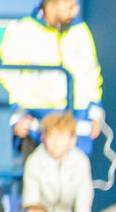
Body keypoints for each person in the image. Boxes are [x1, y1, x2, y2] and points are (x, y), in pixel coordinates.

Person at [0, 0, 105, 155]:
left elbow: (91, 74)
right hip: (36, 123)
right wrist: (16, 117)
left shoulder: (80, 31)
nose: (75, 11)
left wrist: (96, 112)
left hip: (76, 118)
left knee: (75, 176)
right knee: (36, 176)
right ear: (51, 3)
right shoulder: (22, 30)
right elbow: (9, 78)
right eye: (69, 6)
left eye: (76, 5)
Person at [20, 112, 92, 212]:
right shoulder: (34, 161)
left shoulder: (81, 162)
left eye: (61, 136)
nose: (56, 142)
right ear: (43, 137)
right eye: (51, 136)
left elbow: (83, 205)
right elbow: (30, 203)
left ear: (72, 140)